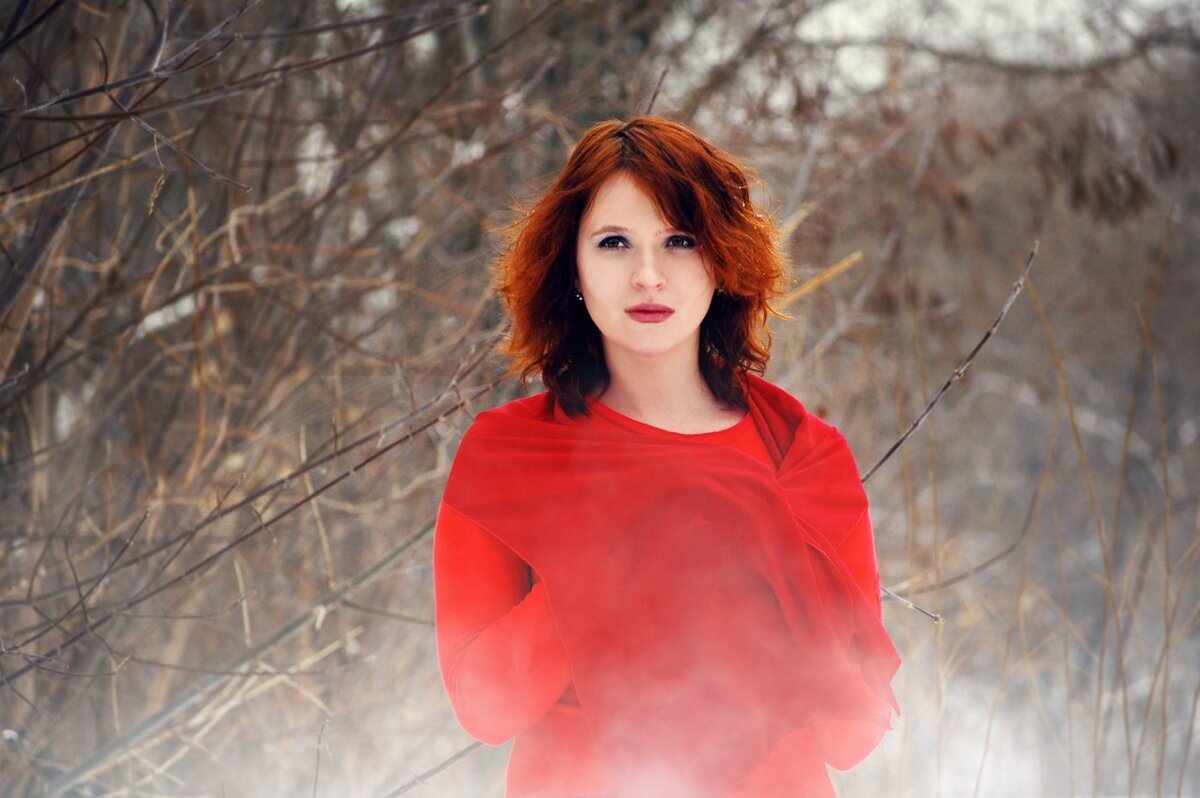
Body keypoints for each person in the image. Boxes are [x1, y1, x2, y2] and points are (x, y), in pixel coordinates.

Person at [434, 117, 900, 798]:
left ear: (722, 261)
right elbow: (484, 708)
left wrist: (761, 543)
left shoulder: (801, 456)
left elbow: (851, 737)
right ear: (572, 267)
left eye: (680, 241)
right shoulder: (509, 452)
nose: (648, 275)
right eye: (614, 242)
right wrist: (617, 549)